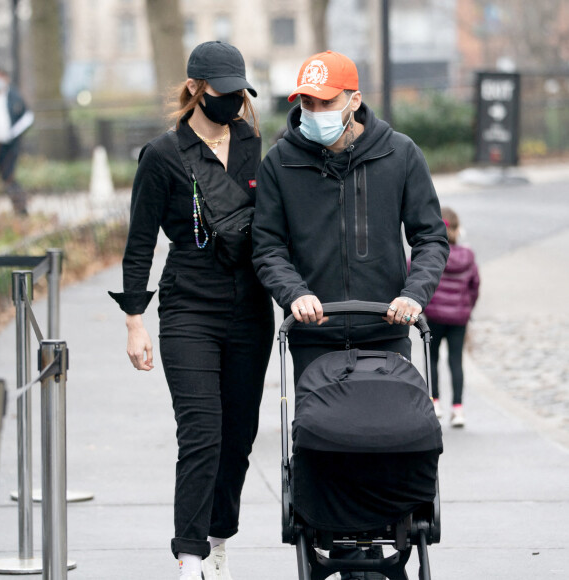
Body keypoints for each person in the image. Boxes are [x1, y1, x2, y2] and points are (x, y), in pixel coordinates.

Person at [251, 50, 449, 580]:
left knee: (385, 442)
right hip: (314, 338)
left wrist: (415, 293)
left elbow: (430, 238)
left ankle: (392, 523)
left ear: (354, 99)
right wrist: (293, 294)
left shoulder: (401, 155)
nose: (313, 109)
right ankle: (328, 533)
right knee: (326, 445)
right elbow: (268, 247)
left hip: (384, 333)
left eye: (325, 100)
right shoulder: (281, 163)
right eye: (306, 101)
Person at [108, 41, 274, 580]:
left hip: (250, 308)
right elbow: (139, 245)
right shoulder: (162, 155)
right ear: (197, 89)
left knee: (239, 436)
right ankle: (190, 555)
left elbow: (274, 225)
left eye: (239, 93)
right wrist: (135, 322)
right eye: (223, 92)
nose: (233, 101)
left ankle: (218, 536)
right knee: (201, 431)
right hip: (188, 309)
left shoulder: (252, 143)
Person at [423, 207, 480, 428]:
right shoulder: (468, 257)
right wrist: (467, 307)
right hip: (459, 318)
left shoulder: (432, 254)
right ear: (457, 229)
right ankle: (458, 410)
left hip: (435, 316)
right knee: (456, 360)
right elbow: (475, 286)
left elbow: (412, 271)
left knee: (433, 358)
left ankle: (434, 402)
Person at [0, 68, 33, 215]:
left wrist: (13, 134)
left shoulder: (14, 97)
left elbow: (27, 118)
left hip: (7, 145)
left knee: (8, 177)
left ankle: (21, 210)